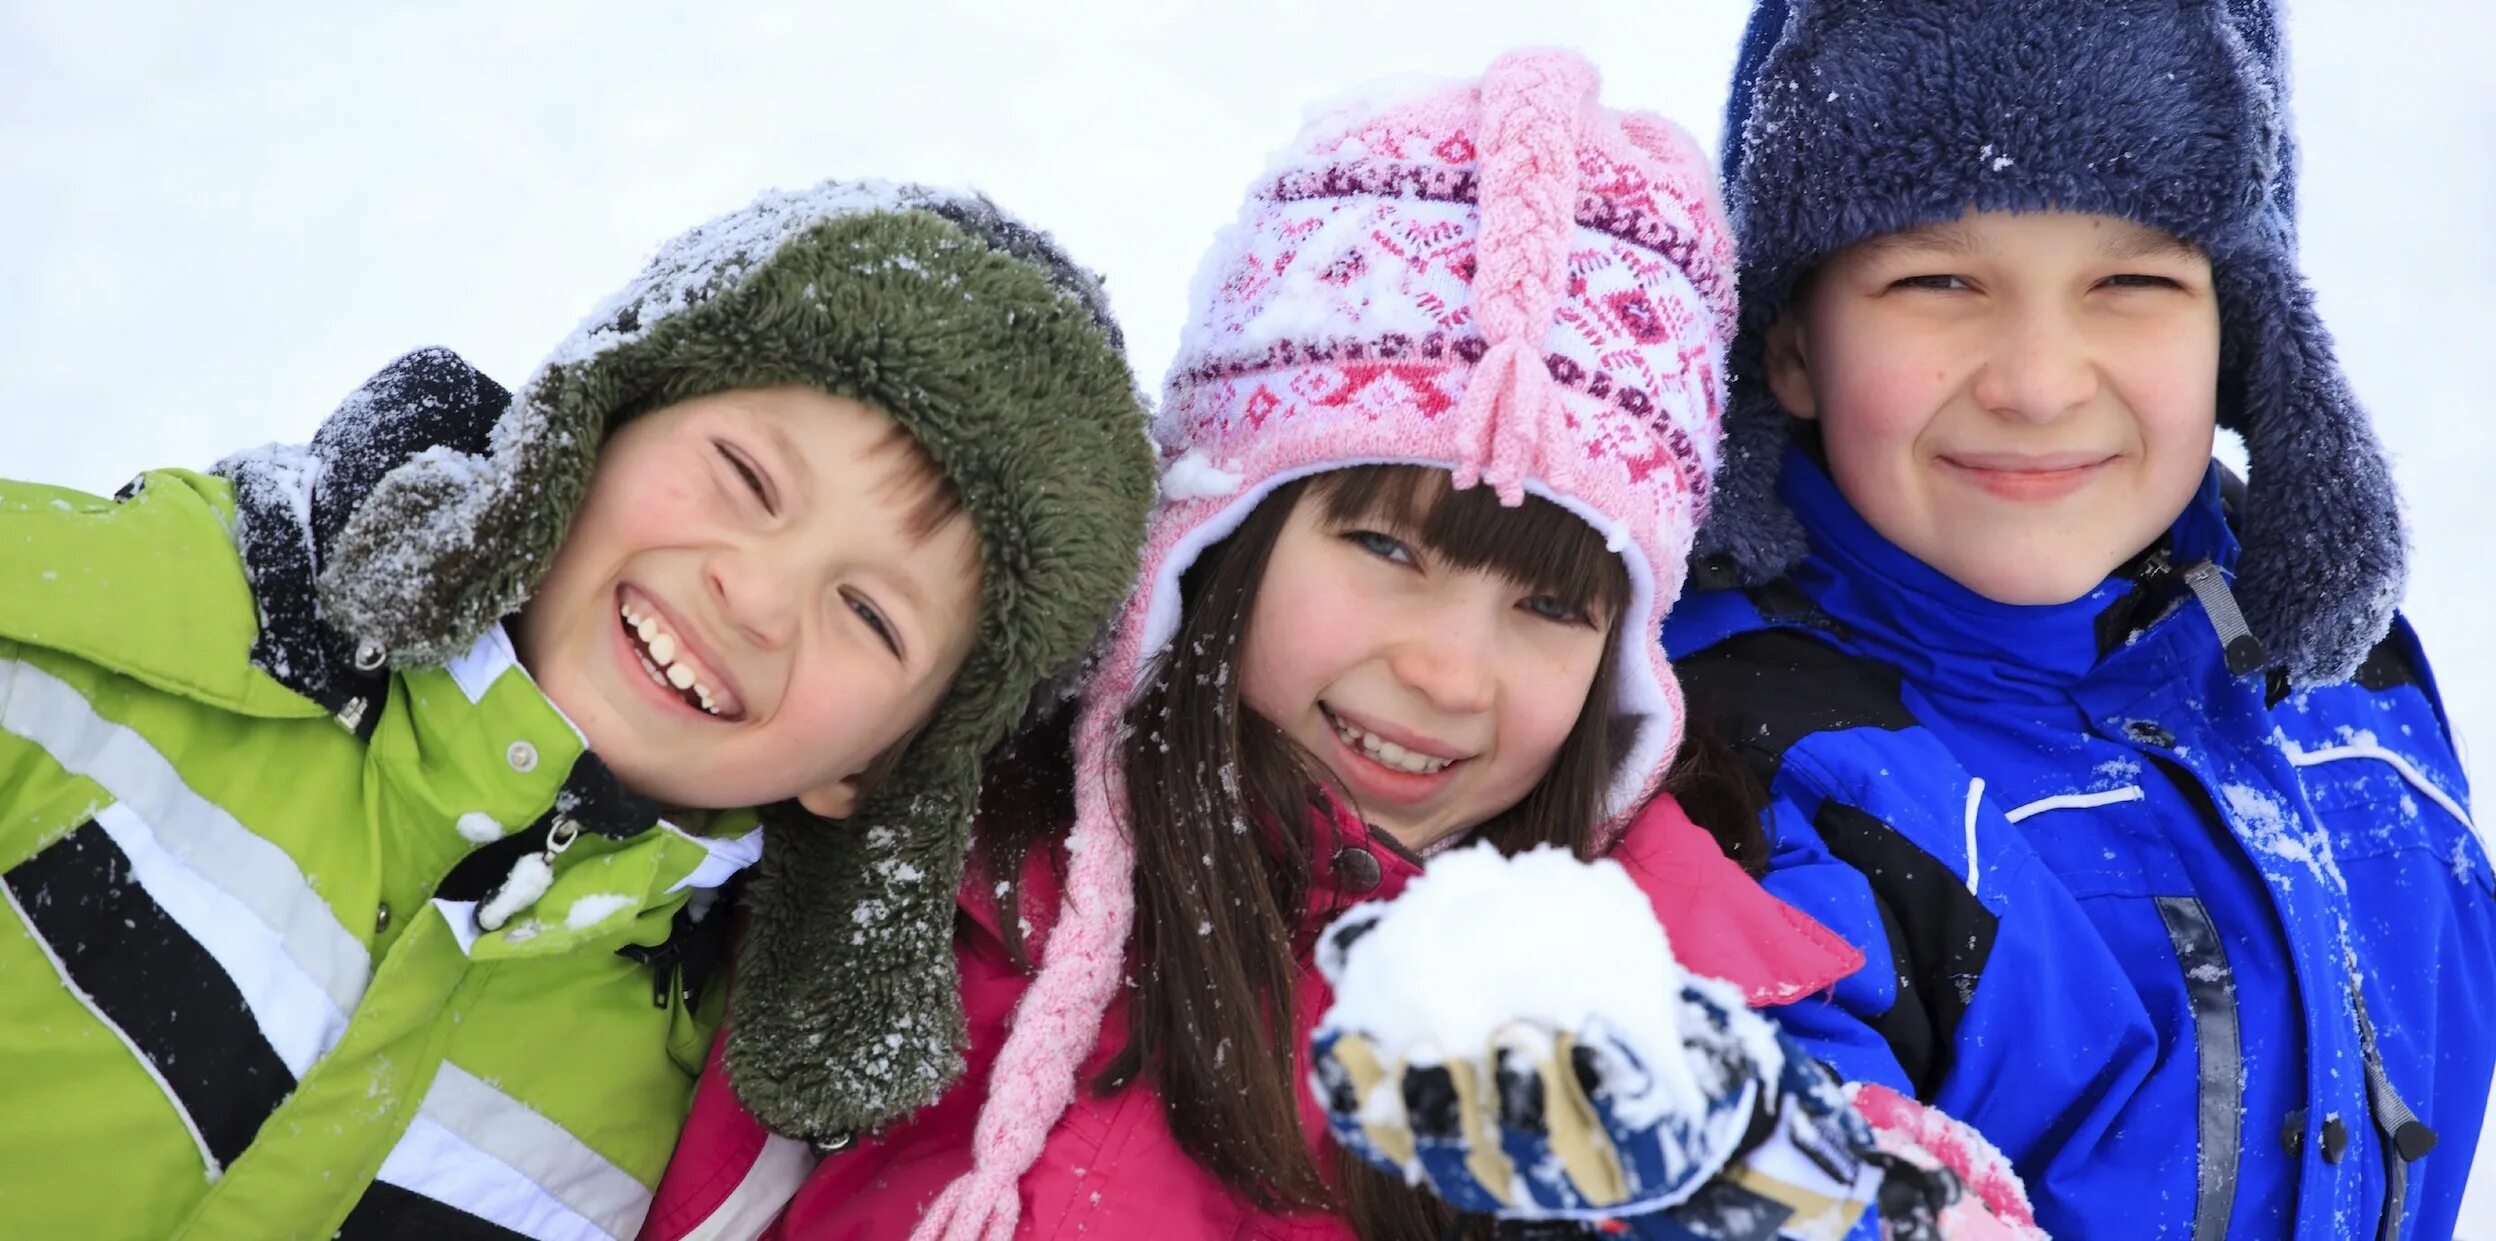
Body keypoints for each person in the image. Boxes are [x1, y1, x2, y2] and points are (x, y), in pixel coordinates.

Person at [645, 50, 2035, 1241]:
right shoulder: (927, 855)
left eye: (1551, 607)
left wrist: (1754, 1158)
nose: (1446, 668)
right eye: (1383, 548)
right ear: (1219, 537)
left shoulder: (1650, 997)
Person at [0, 180, 1155, 1239]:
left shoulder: (708, 1157)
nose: (754, 596)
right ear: (593, 416)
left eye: (868, 613)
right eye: (748, 478)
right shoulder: (99, 648)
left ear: (883, 770)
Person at [1663, 1, 2496, 1237]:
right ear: (1788, 341)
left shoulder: (2340, 674)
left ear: (2241, 329)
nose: (2040, 383)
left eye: (2132, 279)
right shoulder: (1752, 767)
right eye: (1938, 279)